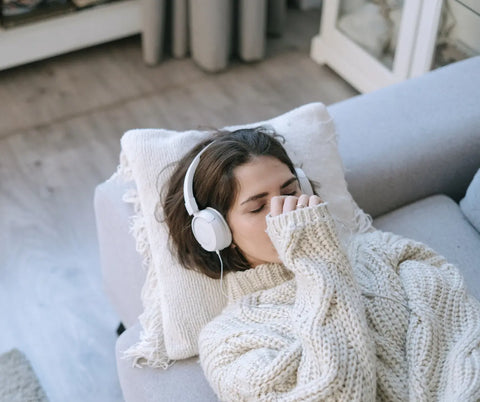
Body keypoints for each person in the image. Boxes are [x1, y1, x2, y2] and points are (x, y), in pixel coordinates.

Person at [162, 127, 480, 401]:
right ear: (216, 231)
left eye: (290, 192)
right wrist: (317, 260)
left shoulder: (380, 250)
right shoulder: (228, 342)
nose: (285, 212)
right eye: (258, 207)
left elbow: (464, 333)